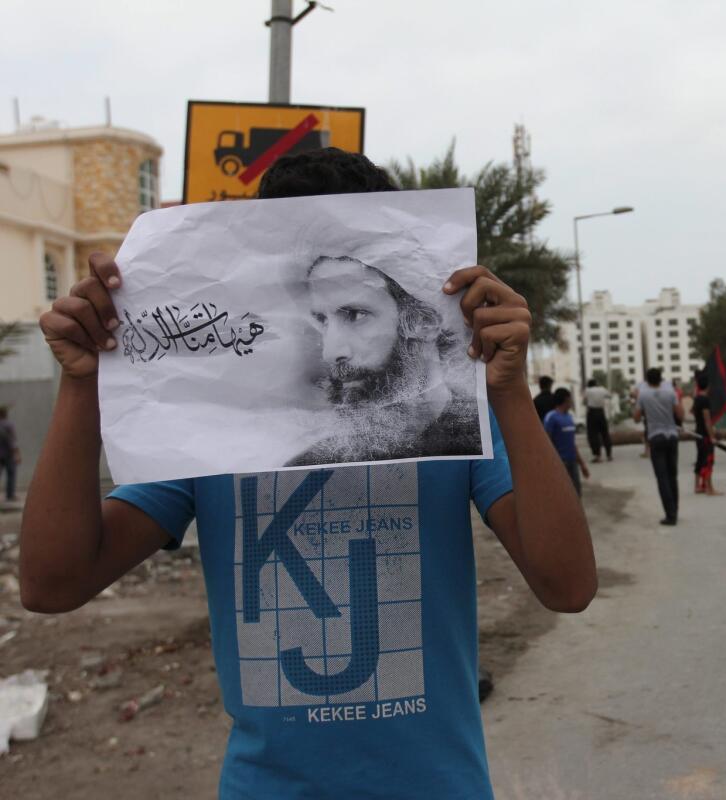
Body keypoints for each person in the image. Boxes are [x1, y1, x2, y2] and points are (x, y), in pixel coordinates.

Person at [21, 147, 598, 799]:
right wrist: (79, 385)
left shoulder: (458, 428)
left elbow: (568, 585)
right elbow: (52, 582)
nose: (334, 350)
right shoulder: (211, 430)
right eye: (319, 319)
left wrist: (511, 392)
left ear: (411, 315)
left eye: (356, 315)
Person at [287, 254, 481, 466]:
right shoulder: (307, 467)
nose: (330, 352)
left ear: (425, 323)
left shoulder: (481, 435)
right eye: (323, 321)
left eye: (355, 315)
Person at [633, 367, 685, 525]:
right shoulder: (670, 393)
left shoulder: (643, 395)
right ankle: (675, 510)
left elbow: (636, 418)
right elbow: (680, 414)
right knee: (672, 476)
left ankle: (670, 515)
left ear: (647, 380)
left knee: (662, 477)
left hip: (655, 437)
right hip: (672, 436)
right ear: (661, 379)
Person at [544, 388, 590, 495]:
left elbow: (572, 443)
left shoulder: (569, 417)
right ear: (566, 399)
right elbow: (546, 442)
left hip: (572, 462)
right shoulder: (551, 417)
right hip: (559, 463)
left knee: (577, 493)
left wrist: (582, 464)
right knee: (562, 494)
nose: (572, 402)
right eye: (570, 399)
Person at [692, 373, 721, 496]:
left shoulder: (697, 399)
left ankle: (697, 486)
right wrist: (712, 437)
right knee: (708, 460)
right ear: (708, 386)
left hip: (698, 432)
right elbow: (707, 420)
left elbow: (695, 413)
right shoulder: (705, 400)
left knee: (700, 459)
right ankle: (709, 488)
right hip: (704, 435)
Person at [583, 379, 613, 463]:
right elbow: (610, 395)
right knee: (605, 433)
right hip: (601, 412)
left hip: (592, 412)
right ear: (596, 384)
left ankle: (597, 456)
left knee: (593, 435)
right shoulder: (602, 389)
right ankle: (609, 455)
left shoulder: (587, 390)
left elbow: (584, 401)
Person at [0, 407, 19, 502]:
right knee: (11, 474)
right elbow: (12, 441)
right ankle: (10, 495)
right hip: (8, 454)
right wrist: (16, 453)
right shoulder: (9, 425)